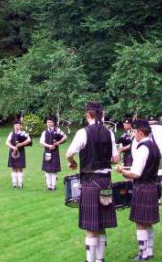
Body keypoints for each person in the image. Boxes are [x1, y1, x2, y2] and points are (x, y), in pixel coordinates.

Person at [66, 101, 119, 262]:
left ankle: (90, 261)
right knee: (101, 224)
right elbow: (115, 158)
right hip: (106, 181)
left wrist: (72, 162)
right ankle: (100, 259)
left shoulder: (83, 132)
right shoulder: (109, 133)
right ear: (101, 115)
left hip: (90, 180)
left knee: (91, 226)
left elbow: (69, 153)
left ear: (88, 114)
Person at [117, 120, 162, 261]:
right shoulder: (155, 146)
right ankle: (149, 251)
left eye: (134, 132)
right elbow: (156, 167)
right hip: (152, 186)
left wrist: (122, 171)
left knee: (140, 222)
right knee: (147, 222)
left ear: (141, 133)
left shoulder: (142, 148)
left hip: (142, 187)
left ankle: (143, 254)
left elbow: (136, 174)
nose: (133, 134)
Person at [40, 116, 67, 191]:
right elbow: (41, 142)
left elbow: (65, 137)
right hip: (47, 152)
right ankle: (49, 186)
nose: (48, 123)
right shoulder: (44, 132)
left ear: (53, 123)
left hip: (55, 152)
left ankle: (54, 185)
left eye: (50, 122)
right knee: (47, 169)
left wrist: (58, 142)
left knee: (54, 170)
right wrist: (49, 145)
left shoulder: (57, 130)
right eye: (47, 122)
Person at [6, 120, 32, 189]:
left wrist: (21, 144)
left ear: (20, 126)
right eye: (15, 125)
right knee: (14, 168)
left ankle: (20, 184)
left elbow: (29, 140)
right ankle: (14, 184)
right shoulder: (11, 133)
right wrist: (13, 147)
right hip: (13, 152)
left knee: (20, 168)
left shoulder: (23, 133)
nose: (16, 126)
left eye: (18, 125)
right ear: (13, 126)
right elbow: (7, 142)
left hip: (20, 152)